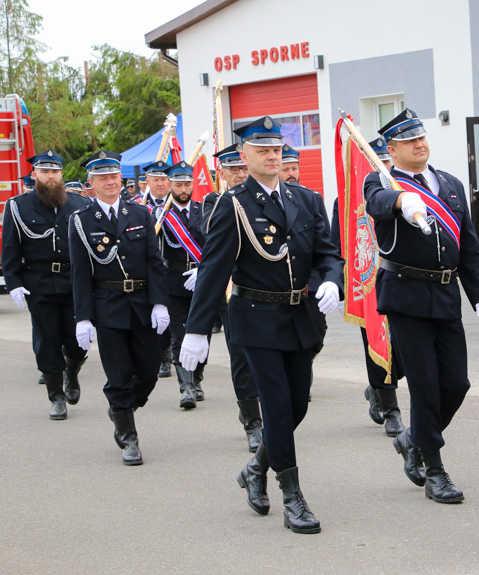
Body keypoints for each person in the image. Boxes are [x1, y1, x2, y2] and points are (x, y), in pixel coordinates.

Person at [180, 116, 343, 534]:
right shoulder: (232, 204)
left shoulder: (305, 200)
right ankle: (292, 496)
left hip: (300, 317)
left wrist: (331, 281)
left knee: (298, 406)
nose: (272, 156)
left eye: (277, 149)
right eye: (262, 150)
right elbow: (214, 269)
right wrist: (197, 330)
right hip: (256, 319)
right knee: (275, 406)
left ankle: (256, 468)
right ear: (244, 156)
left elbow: (328, 253)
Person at [363, 108, 479, 504]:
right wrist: (402, 200)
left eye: (421, 138)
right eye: (409, 141)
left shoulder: (451, 185)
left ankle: (414, 440)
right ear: (391, 149)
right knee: (423, 386)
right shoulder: (383, 180)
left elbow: (469, 248)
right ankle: (434, 468)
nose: (419, 145)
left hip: (445, 296)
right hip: (405, 295)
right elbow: (376, 200)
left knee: (457, 382)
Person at [69, 150, 170, 466]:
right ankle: (129, 437)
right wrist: (83, 317)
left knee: (149, 370)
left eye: (114, 176)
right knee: (119, 374)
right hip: (108, 308)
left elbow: (155, 262)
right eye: (103, 178)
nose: (110, 182)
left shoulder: (139, 215)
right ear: (92, 182)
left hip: (141, 305)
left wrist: (159, 302)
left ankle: (120, 409)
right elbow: (80, 272)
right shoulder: (81, 221)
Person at [2, 150, 90, 420]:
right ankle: (56, 397)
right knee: (47, 342)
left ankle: (71, 373)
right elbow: (10, 248)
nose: (50, 177)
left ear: (61, 175)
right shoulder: (18, 206)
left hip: (74, 284)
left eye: (55, 172)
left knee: (77, 342)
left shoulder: (79, 204)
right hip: (38, 284)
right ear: (35, 175)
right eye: (45, 172)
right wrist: (14, 283)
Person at [331, 136, 405, 436]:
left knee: (401, 347)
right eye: (376, 163)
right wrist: (339, 285)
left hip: (402, 280)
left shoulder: (404, 192)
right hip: (368, 282)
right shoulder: (348, 199)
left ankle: (376, 389)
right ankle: (391, 409)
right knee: (376, 340)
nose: (383, 168)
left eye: (385, 162)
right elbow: (339, 244)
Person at [204, 143, 264, 452]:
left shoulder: (264, 197)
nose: (240, 174)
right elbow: (209, 237)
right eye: (233, 170)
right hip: (234, 291)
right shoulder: (216, 202)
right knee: (240, 357)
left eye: (242, 168)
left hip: (268, 291)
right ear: (222, 173)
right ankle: (252, 421)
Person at [156, 161, 208, 409]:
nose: (183, 188)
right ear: (169, 185)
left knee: (202, 332)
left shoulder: (204, 211)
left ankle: (197, 379)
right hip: (173, 283)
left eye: (187, 183)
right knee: (179, 333)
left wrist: (204, 269)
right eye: (178, 184)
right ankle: (185, 386)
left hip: (202, 281)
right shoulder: (160, 215)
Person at [142, 160, 174, 379]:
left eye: (164, 179)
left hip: (173, 269)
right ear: (148, 181)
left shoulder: (178, 204)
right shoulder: (137, 205)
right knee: (153, 315)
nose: (161, 184)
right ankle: (162, 353)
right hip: (148, 271)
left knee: (173, 313)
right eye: (156, 179)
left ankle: (172, 351)